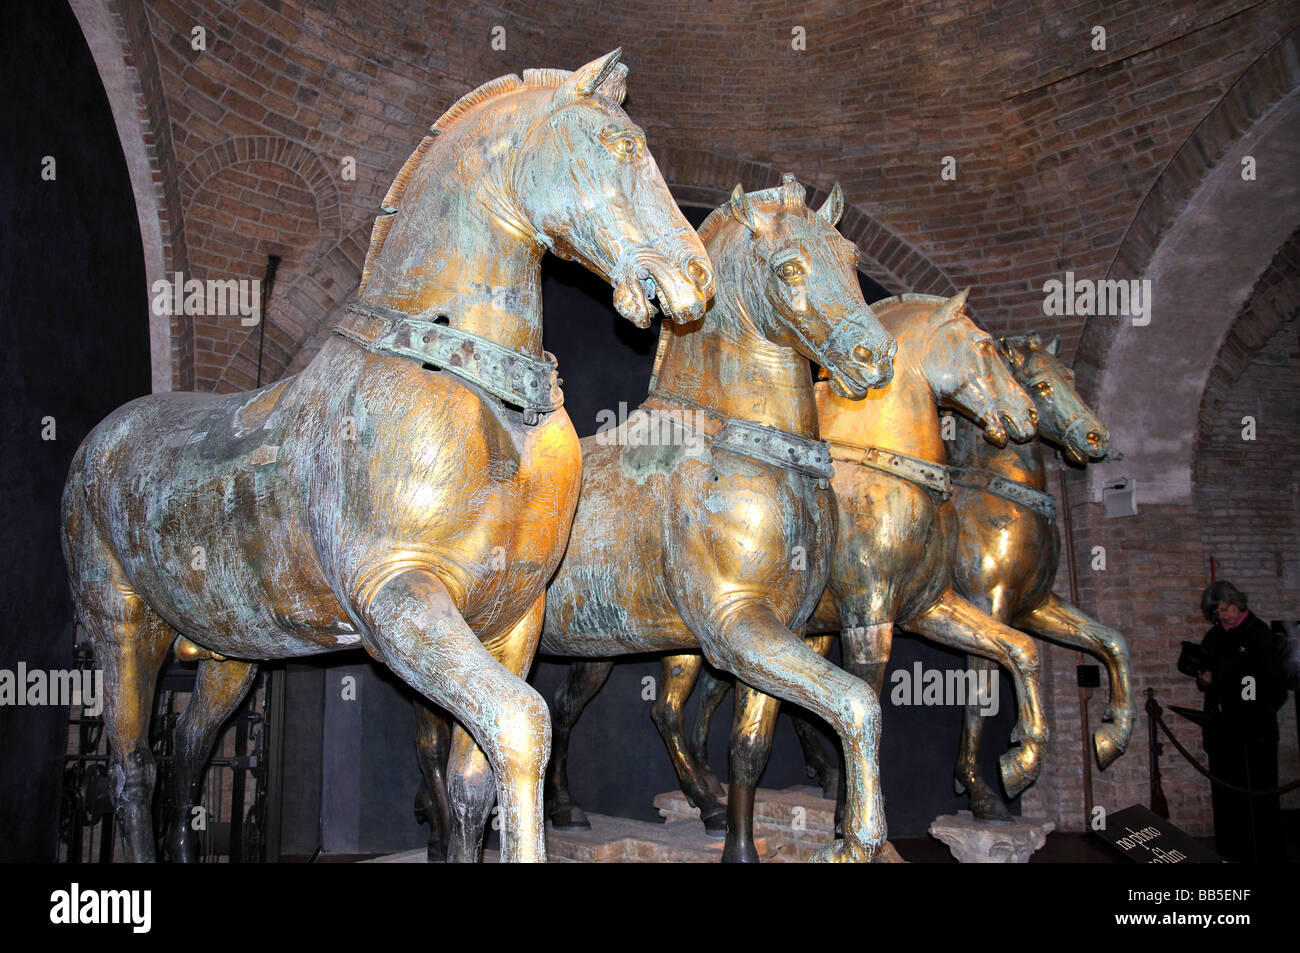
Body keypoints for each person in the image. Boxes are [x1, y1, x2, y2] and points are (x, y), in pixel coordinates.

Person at [1194, 581, 1288, 862]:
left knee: (1258, 795)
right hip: (1223, 731)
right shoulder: (1213, 638)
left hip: (1254, 732)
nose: (1224, 616)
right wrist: (1204, 679)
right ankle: (1231, 853)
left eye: (1226, 609)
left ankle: (1263, 854)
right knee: (1226, 797)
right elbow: (1207, 678)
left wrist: (1255, 708)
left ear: (1238, 603)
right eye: (1218, 613)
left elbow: (1275, 686)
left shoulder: (1259, 634)